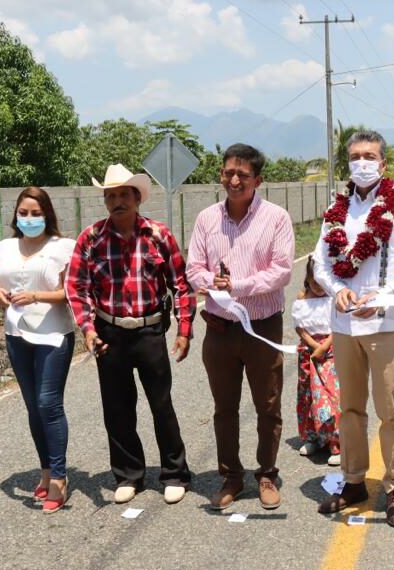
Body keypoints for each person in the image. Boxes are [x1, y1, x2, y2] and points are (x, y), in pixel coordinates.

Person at [313, 129, 394, 527]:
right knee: (350, 409)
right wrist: (338, 290)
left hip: (386, 324)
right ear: (349, 162)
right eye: (356, 155)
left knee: (391, 412)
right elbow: (320, 264)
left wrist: (382, 295)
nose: (363, 162)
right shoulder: (335, 209)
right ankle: (354, 481)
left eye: (370, 156)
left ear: (383, 163)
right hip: (344, 325)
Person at [65, 164, 194, 505]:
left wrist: (184, 329)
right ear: (105, 201)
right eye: (111, 196)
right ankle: (128, 474)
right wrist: (88, 329)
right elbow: (76, 287)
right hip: (109, 332)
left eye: (124, 194)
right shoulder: (90, 239)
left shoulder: (158, 235)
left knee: (161, 404)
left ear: (137, 198)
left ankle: (174, 473)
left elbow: (181, 284)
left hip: (150, 330)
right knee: (117, 408)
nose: (118, 201)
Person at [186, 143, 294, 511]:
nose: (234, 180)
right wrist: (209, 281)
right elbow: (193, 268)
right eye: (229, 172)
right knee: (224, 407)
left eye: (243, 175)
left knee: (267, 405)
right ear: (221, 175)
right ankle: (231, 476)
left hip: (262, 327)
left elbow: (282, 271)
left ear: (257, 180)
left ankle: (266, 473)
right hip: (219, 328)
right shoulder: (206, 219)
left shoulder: (276, 218)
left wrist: (238, 285)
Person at [0, 187, 76, 514]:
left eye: (36, 213)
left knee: (48, 402)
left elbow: (69, 293)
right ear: (15, 216)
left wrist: (36, 296)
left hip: (53, 335)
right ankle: (46, 470)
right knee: (32, 407)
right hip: (16, 335)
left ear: (47, 215)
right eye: (24, 213)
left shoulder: (62, 247)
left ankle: (61, 478)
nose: (29, 219)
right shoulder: (5, 247)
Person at [291, 256, 341, 467]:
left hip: (330, 353)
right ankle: (312, 437)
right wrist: (314, 346)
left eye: (322, 283)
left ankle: (335, 442)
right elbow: (300, 328)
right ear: (308, 281)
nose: (318, 288)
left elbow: (337, 327)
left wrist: (324, 346)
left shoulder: (333, 300)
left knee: (329, 396)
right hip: (309, 354)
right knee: (307, 395)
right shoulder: (302, 302)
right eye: (314, 284)